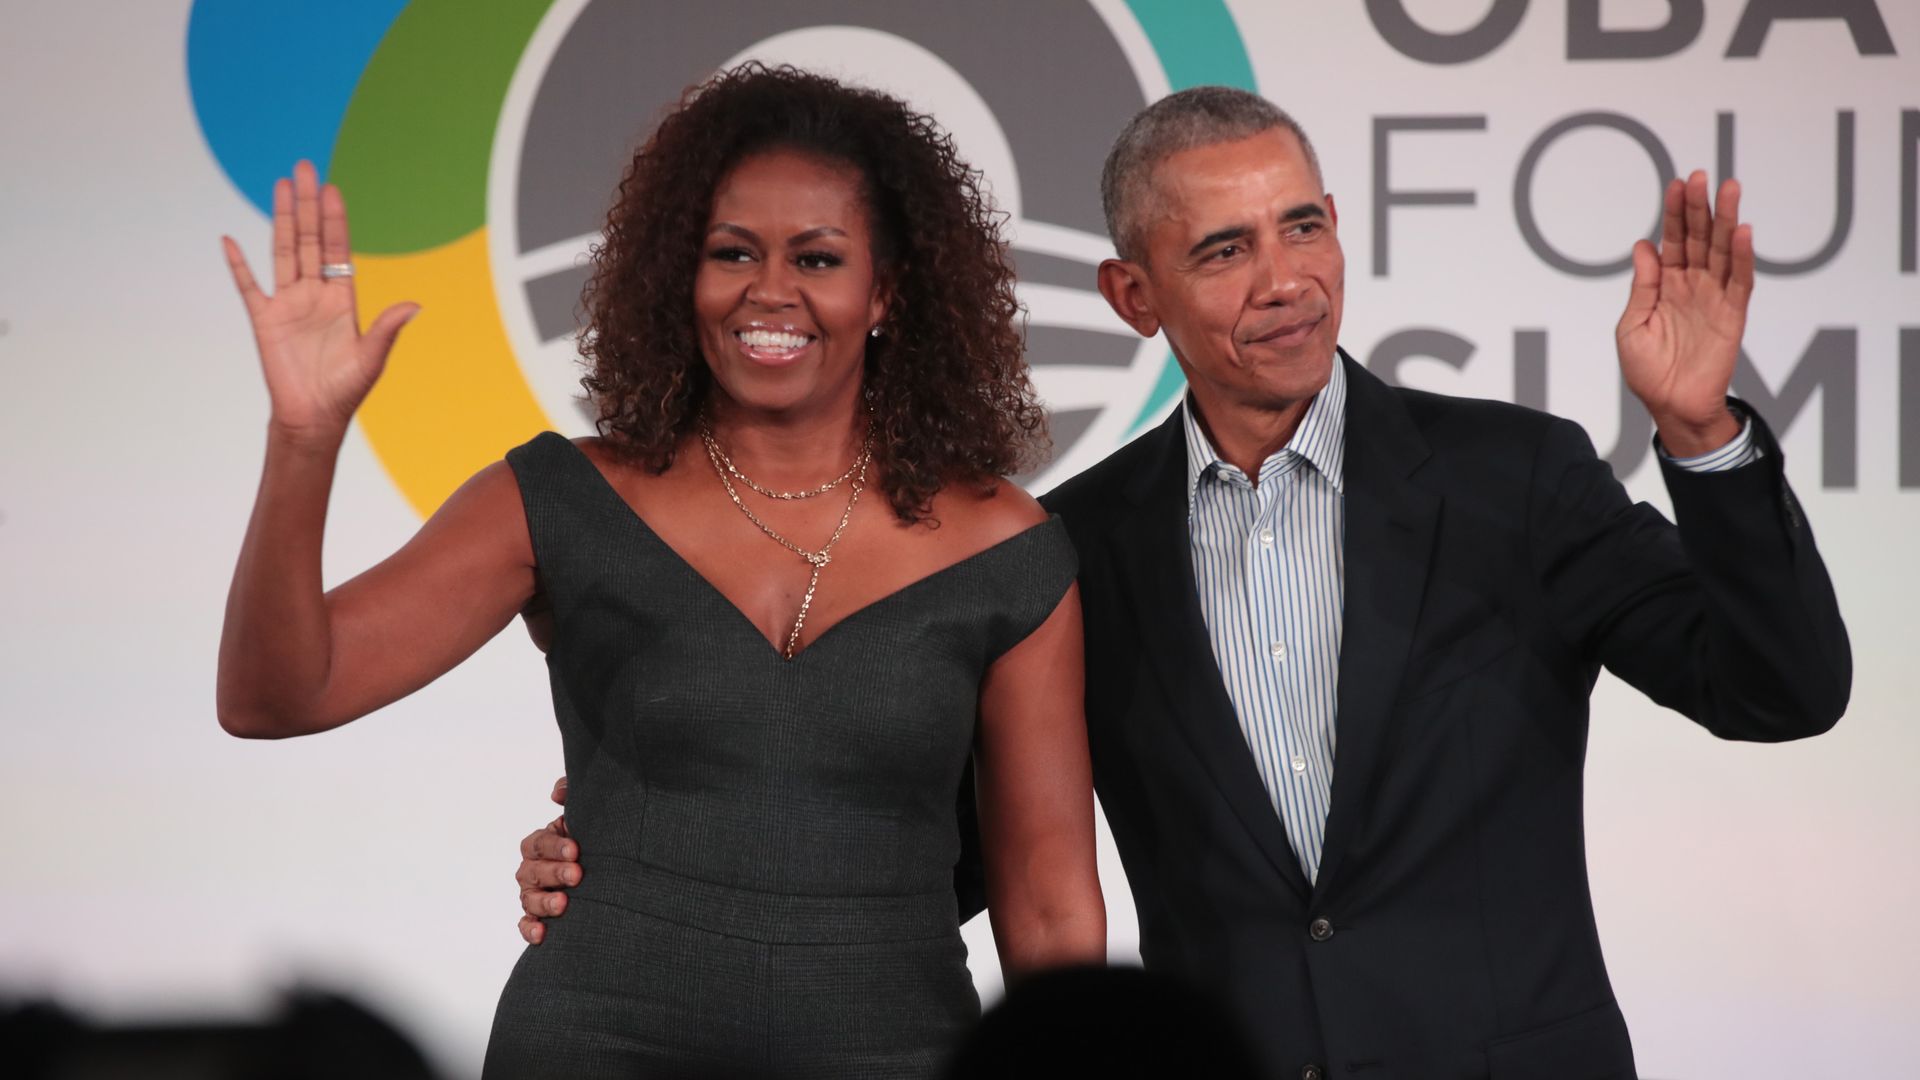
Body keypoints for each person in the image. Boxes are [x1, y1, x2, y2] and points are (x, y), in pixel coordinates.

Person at [516, 87, 1849, 1077]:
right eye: (1224, 251)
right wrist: (643, 854)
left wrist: (1699, 435)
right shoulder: (1066, 549)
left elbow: (1779, 691)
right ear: (1131, 292)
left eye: (1303, 227)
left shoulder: (1516, 478)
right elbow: (939, 857)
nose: (1286, 282)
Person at [215, 64, 1105, 1078]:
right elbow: (277, 694)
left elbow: (1049, 903)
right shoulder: (562, 499)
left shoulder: (1003, 548)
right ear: (680, 277)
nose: (770, 291)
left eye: (817, 258)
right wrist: (304, 435)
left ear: (885, 291)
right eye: (731, 253)